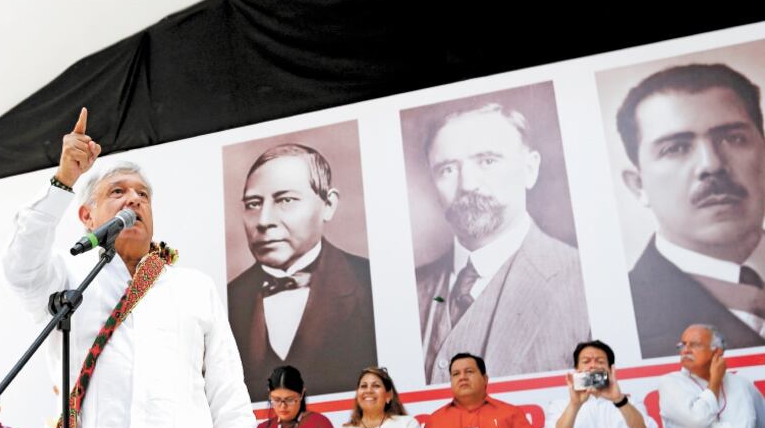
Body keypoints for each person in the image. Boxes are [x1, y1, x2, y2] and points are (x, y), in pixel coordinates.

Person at [2, 107, 271, 428]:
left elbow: (227, 393)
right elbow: (20, 266)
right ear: (87, 216)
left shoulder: (192, 287)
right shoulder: (69, 279)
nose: (133, 202)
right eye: (118, 193)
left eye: (142, 196)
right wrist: (63, 182)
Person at [415, 102, 590, 384]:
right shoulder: (411, 290)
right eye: (448, 169)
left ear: (530, 169)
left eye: (487, 161)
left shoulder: (585, 279)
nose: (468, 184)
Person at [617, 63, 765, 358]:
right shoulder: (622, 319)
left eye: (733, 138)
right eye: (675, 148)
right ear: (638, 186)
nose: (711, 165)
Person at [227, 143, 378, 400]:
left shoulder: (370, 283)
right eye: (253, 204)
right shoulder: (227, 299)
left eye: (285, 200)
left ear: (328, 205)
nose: (264, 221)